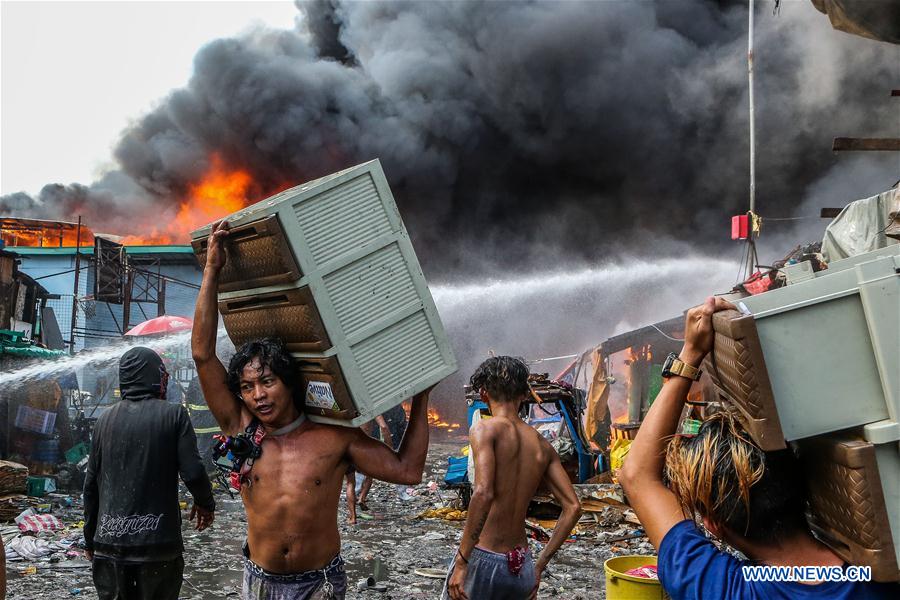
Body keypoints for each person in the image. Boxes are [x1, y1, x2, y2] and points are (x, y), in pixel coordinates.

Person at [192, 220, 436, 600]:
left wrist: (422, 399)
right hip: (259, 583)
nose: (258, 395)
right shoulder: (241, 427)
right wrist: (212, 270)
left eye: (267, 381)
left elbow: (408, 471)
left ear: (290, 382)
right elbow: (202, 353)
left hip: (319, 585)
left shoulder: (335, 436)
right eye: (247, 387)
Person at [619, 297, 897, 600]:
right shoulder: (882, 578)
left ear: (713, 526)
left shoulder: (723, 589)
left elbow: (637, 476)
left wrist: (692, 352)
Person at [83, 346, 215, 600]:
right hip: (159, 549)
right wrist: (205, 503)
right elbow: (193, 471)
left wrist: (90, 539)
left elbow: (90, 487)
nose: (166, 380)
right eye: (163, 374)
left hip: (109, 548)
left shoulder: (104, 421)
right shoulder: (174, 414)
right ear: (154, 377)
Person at [445, 356, 582, 600]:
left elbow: (484, 492)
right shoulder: (542, 446)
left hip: (483, 559)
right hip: (521, 567)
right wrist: (538, 567)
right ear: (524, 395)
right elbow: (573, 507)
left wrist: (463, 560)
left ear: (484, 394)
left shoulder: (484, 429)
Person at [345, 415, 392, 523]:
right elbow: (384, 427)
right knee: (370, 474)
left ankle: (352, 517)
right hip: (364, 449)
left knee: (350, 482)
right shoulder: (370, 409)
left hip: (348, 447)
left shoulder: (349, 408)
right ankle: (362, 498)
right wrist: (390, 449)